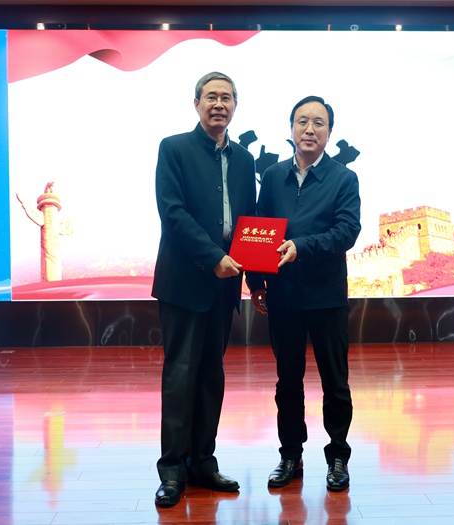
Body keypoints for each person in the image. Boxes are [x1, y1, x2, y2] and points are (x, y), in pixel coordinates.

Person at [152, 72, 256, 507]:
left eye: (226, 98)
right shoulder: (174, 148)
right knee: (180, 375)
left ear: (235, 106)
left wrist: (256, 279)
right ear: (196, 104)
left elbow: (249, 225)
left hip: (225, 286)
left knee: (211, 375)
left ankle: (203, 463)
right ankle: (173, 470)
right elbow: (172, 213)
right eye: (211, 97)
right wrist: (213, 257)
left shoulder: (245, 160)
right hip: (184, 281)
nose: (219, 104)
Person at [247, 96, 361, 491]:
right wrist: (256, 282)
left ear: (329, 131)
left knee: (336, 382)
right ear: (292, 128)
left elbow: (347, 231)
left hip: (327, 296)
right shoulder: (273, 176)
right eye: (302, 121)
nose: (309, 129)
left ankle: (338, 457)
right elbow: (259, 229)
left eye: (318, 123)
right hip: (284, 297)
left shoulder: (344, 179)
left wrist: (302, 246)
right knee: (287, 382)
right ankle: (290, 455)